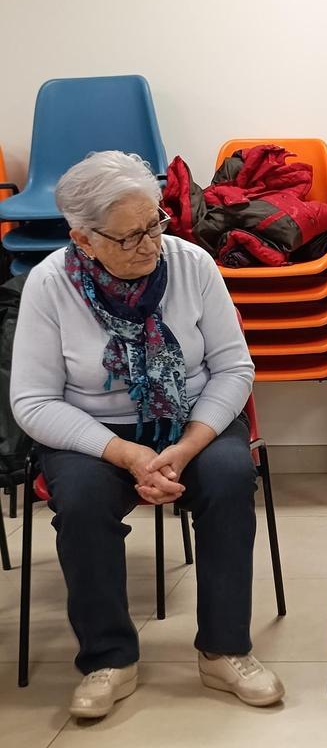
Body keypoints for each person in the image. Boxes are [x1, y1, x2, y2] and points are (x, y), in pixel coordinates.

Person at [11, 151, 283, 719]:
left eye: (155, 224)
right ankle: (109, 658)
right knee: (82, 500)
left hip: (190, 419)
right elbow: (33, 402)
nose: (150, 244)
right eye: (129, 236)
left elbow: (234, 370)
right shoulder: (48, 285)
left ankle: (224, 649)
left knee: (231, 477)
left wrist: (183, 449)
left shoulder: (192, 264)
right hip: (94, 429)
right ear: (82, 238)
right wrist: (127, 453)